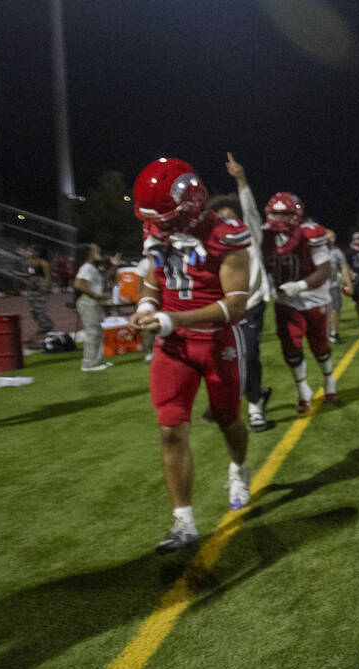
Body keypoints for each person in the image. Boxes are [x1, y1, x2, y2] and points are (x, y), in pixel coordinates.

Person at [127, 157, 252, 553]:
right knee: (170, 429)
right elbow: (151, 283)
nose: (156, 227)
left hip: (216, 342)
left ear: (192, 204)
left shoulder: (226, 235)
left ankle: (239, 468)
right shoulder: (158, 232)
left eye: (165, 218)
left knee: (229, 420)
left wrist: (172, 319)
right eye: (153, 219)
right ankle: (184, 522)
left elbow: (235, 306)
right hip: (174, 345)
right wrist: (146, 308)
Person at [226, 153, 337, 412]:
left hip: (314, 298)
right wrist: (242, 181)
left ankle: (329, 382)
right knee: (291, 349)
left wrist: (299, 286)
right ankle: (303, 390)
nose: (279, 220)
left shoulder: (310, 233)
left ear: (296, 214)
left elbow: (324, 271)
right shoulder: (263, 234)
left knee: (320, 346)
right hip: (285, 301)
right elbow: (250, 215)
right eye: (275, 215)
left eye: (285, 214)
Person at [210, 185, 275, 432]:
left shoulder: (250, 234)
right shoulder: (213, 242)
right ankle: (252, 394)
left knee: (248, 355)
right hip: (222, 308)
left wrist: (242, 182)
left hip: (250, 305)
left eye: (230, 216)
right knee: (226, 359)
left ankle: (255, 406)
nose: (226, 222)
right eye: (221, 218)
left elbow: (250, 211)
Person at [74, 243, 118, 371]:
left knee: (97, 331)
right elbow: (78, 284)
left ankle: (96, 361)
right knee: (93, 332)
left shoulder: (91, 267)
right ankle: (88, 363)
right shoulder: (86, 267)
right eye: (95, 250)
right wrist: (95, 295)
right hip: (89, 302)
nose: (98, 251)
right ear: (89, 253)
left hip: (93, 302)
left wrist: (114, 265)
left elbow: (102, 280)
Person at [326, 229, 349, 342]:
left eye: (333, 237)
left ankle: (334, 333)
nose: (331, 240)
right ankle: (324, 333)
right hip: (318, 287)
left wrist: (347, 283)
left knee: (336, 309)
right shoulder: (315, 250)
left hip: (333, 285)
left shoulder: (337, 251)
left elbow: (344, 268)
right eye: (329, 237)